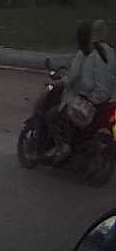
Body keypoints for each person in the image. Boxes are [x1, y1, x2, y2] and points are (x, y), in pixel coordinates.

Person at [48, 21, 114, 160]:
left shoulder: (90, 55)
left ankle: (63, 147)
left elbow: (85, 84)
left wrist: (77, 90)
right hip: (108, 100)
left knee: (54, 115)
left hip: (92, 101)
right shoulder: (111, 53)